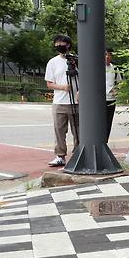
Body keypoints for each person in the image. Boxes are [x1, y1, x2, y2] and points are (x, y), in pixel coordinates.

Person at [45, 34, 79, 167]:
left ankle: (77, 154)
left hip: (77, 102)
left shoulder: (77, 60)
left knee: (78, 131)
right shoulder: (52, 62)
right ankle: (60, 156)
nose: (59, 45)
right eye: (57, 43)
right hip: (59, 102)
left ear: (69, 45)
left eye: (62, 43)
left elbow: (86, 78)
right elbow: (49, 83)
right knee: (59, 130)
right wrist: (63, 87)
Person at [105, 48, 122, 142]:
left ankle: (105, 142)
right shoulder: (96, 68)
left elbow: (120, 83)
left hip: (111, 100)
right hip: (98, 100)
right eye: (105, 54)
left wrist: (117, 90)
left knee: (108, 123)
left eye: (109, 54)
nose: (107, 57)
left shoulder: (115, 69)